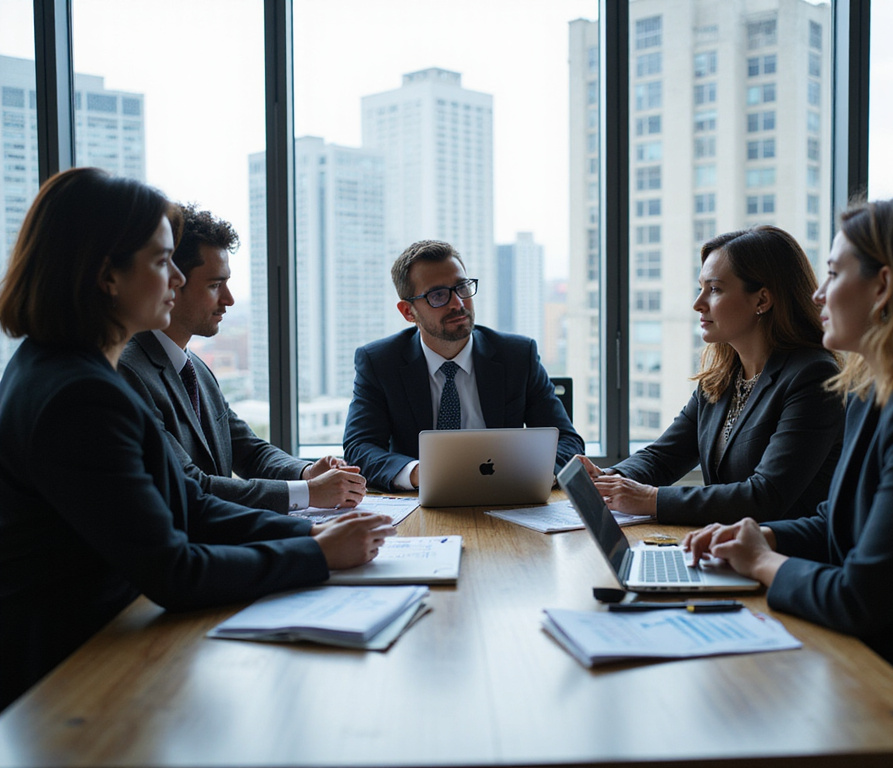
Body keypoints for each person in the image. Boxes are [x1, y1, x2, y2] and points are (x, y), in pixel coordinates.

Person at [0, 168, 395, 711]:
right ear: (107, 275)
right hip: (74, 675)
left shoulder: (71, 370)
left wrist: (315, 532)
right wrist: (315, 553)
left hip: (106, 644)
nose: (177, 280)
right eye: (163, 262)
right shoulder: (80, 395)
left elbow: (187, 504)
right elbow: (173, 571)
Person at [685, 197, 893, 767]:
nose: (818, 294)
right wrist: (766, 536)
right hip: (885, 668)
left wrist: (761, 563)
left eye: (835, 274)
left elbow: (860, 597)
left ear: (883, 286)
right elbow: (838, 520)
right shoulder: (875, 391)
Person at [577, 225, 844, 526]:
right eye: (701, 287)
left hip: (781, 551)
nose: (698, 303)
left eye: (714, 289)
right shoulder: (721, 377)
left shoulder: (814, 376)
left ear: (762, 300)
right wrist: (608, 478)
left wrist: (650, 499)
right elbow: (664, 456)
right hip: (726, 545)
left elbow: (766, 496)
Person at [118, 204, 366, 513]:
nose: (229, 299)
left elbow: (248, 450)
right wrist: (309, 493)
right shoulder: (129, 373)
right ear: (173, 283)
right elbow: (190, 485)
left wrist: (306, 472)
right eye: (214, 285)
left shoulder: (195, 368)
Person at [343, 239, 584, 491]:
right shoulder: (380, 362)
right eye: (438, 295)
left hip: (509, 495)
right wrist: (417, 473)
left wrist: (526, 472)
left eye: (462, 287)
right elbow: (359, 447)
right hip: (420, 503)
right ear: (408, 312)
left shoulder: (517, 356)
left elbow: (568, 441)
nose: (457, 303)